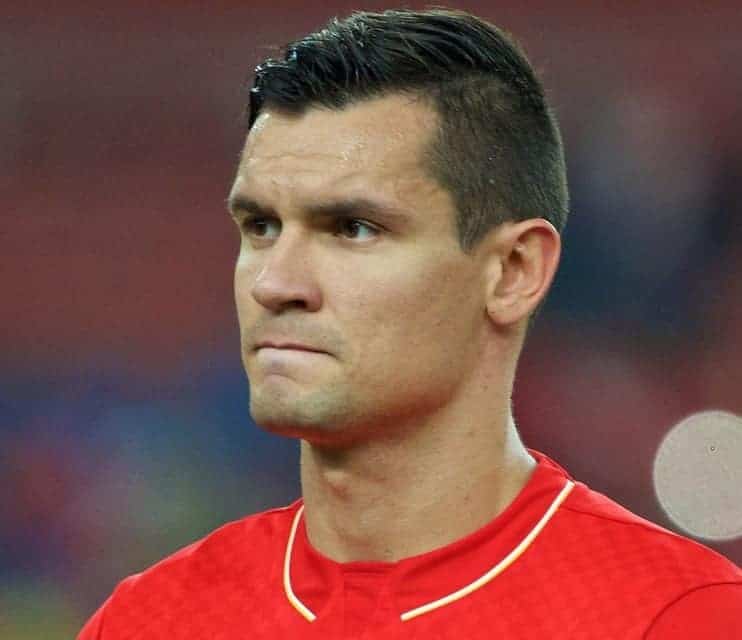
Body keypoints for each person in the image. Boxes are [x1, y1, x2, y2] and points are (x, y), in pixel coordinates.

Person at [77, 8, 741, 639]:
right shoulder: (147, 620)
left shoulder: (679, 618)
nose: (276, 283)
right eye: (260, 226)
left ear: (513, 271)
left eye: (353, 228)